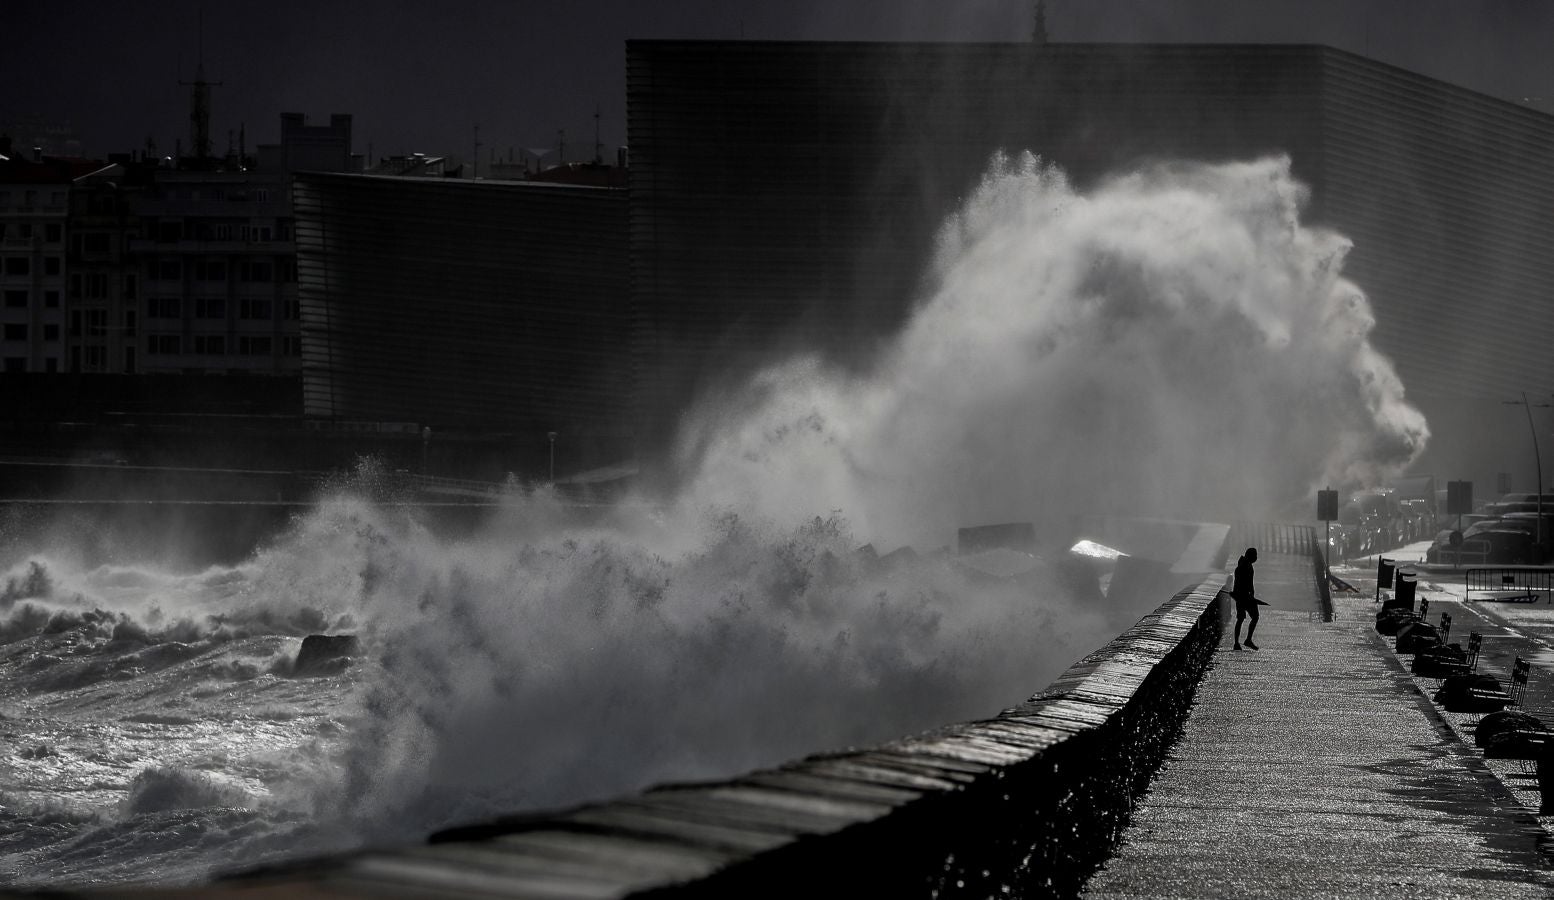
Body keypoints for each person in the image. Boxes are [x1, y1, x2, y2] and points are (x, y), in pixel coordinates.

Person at [1231, 547, 1260, 650]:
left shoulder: (1242, 564)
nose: (1256, 558)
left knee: (1240, 619)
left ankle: (1236, 643)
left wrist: (1235, 594)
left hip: (1240, 596)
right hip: (1245, 596)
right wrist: (1250, 594)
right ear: (1250, 556)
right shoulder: (1245, 566)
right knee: (1255, 617)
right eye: (1255, 555)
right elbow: (1246, 583)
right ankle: (1247, 640)